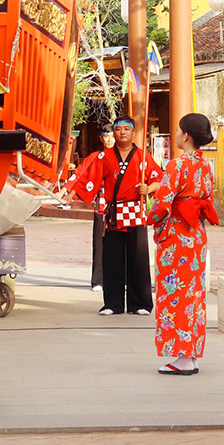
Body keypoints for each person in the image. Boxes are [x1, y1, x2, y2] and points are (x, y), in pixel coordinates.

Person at [65, 115, 162, 316]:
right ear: (113, 133)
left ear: (133, 132)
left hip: (135, 211)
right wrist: (70, 194)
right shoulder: (104, 157)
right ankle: (112, 303)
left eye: (127, 128)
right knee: (112, 259)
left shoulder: (143, 156)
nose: (123, 132)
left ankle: (140, 304)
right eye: (118, 129)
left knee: (138, 259)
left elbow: (159, 179)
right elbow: (88, 179)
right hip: (113, 213)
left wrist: (148, 187)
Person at [149, 113, 219, 376]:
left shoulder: (176, 165)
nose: (176, 135)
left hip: (177, 235)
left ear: (186, 135)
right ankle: (191, 353)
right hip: (196, 235)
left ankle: (182, 357)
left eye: (179, 130)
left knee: (175, 295)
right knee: (193, 294)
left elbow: (162, 202)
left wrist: (151, 221)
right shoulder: (205, 165)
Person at [66, 128, 115, 292]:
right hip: (101, 205)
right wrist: (67, 191)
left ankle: (120, 278)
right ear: (101, 139)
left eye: (112, 136)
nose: (109, 140)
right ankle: (98, 280)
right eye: (106, 137)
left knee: (121, 245)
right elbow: (81, 174)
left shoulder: (126, 156)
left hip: (122, 206)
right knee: (99, 245)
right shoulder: (96, 157)